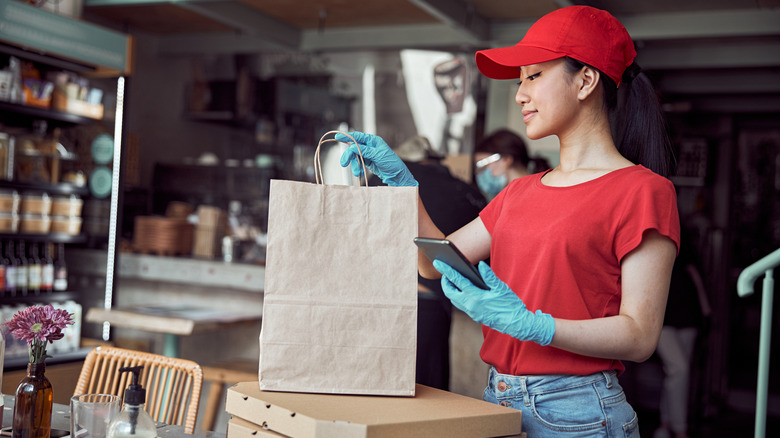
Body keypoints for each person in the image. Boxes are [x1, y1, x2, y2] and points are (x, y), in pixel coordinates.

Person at [338, 5, 679, 437]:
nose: (520, 94)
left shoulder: (643, 191)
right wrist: (405, 187)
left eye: (534, 76)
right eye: (520, 80)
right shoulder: (518, 192)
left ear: (586, 80)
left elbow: (639, 336)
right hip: (497, 401)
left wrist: (535, 326)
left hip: (578, 412)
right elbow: (434, 265)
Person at [370, 135, 487, 390]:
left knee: (377, 389)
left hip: (382, 299)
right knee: (426, 398)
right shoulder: (465, 191)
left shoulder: (381, 181)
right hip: (432, 303)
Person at [654, 229, 711, 438]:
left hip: (688, 312)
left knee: (677, 373)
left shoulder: (679, 233)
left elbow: (694, 272)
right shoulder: (643, 233)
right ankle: (680, 430)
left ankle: (667, 424)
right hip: (660, 316)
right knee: (679, 368)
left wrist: (705, 308)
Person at [473, 129, 550, 200]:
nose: (480, 173)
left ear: (505, 160)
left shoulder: (531, 196)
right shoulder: (508, 196)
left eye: (483, 165)